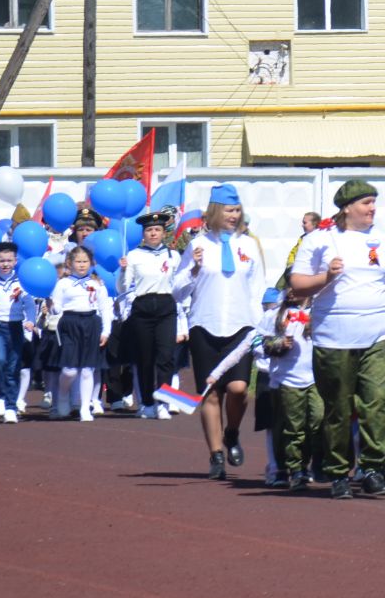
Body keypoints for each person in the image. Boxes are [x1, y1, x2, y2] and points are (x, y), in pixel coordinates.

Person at [290, 179, 385, 500]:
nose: (372, 209)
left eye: (373, 202)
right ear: (347, 207)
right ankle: (339, 471)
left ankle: (373, 467)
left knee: (378, 404)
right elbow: (297, 284)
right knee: (338, 410)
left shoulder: (383, 242)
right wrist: (326, 277)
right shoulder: (319, 240)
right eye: (366, 203)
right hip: (333, 338)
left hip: (377, 337)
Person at [178, 185, 267, 479]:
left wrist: (259, 327)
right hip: (205, 323)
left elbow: (257, 288)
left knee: (238, 389)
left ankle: (231, 432)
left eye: (237, 210)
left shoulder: (249, 246)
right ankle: (215, 455)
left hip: (241, 326)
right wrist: (193, 269)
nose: (234, 215)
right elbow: (177, 291)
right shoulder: (199, 245)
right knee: (210, 392)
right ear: (216, 211)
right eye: (229, 210)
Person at [117, 209, 182, 421]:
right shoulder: (134, 256)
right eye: (149, 230)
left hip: (166, 306)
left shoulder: (173, 256)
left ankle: (163, 402)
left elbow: (180, 286)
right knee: (145, 358)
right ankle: (146, 402)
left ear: (164, 232)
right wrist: (122, 270)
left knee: (166, 358)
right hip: (143, 306)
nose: (153, 233)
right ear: (143, 234)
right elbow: (123, 287)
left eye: (157, 229)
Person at [262, 279, 320, 490]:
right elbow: (261, 345)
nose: (292, 291)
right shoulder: (276, 315)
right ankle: (296, 469)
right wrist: (279, 344)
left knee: (316, 421)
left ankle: (308, 462)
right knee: (293, 427)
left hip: (314, 378)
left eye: (296, 287)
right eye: (289, 287)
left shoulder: (317, 312)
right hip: (288, 379)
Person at [51, 249, 112, 423]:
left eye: (85, 261)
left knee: (87, 369)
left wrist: (106, 331)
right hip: (69, 323)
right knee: (69, 370)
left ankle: (85, 406)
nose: (82, 265)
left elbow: (105, 308)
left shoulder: (97, 284)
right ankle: (63, 395)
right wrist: (53, 307)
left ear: (91, 263)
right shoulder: (63, 284)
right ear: (70, 263)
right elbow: (56, 306)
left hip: (91, 323)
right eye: (78, 261)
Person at [0, 241, 35, 424]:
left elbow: (29, 304)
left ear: (15, 261)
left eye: (9, 260)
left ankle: (11, 406)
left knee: (13, 367)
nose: (5, 264)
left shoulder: (22, 282)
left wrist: (30, 321)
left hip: (15, 327)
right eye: (1, 260)